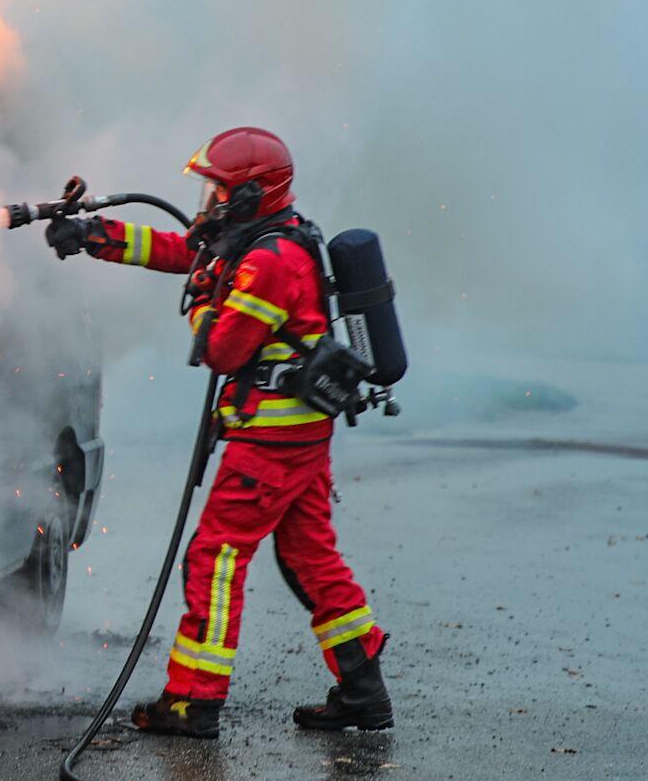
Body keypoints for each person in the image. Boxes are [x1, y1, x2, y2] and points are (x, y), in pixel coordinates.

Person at [44, 127, 393, 738]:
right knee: (310, 557)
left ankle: (194, 700)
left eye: (221, 191)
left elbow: (222, 349)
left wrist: (204, 301)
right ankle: (364, 690)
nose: (210, 202)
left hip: (271, 445)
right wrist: (97, 237)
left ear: (254, 195)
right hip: (301, 438)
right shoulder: (264, 239)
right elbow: (183, 250)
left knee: (215, 557)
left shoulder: (270, 262)